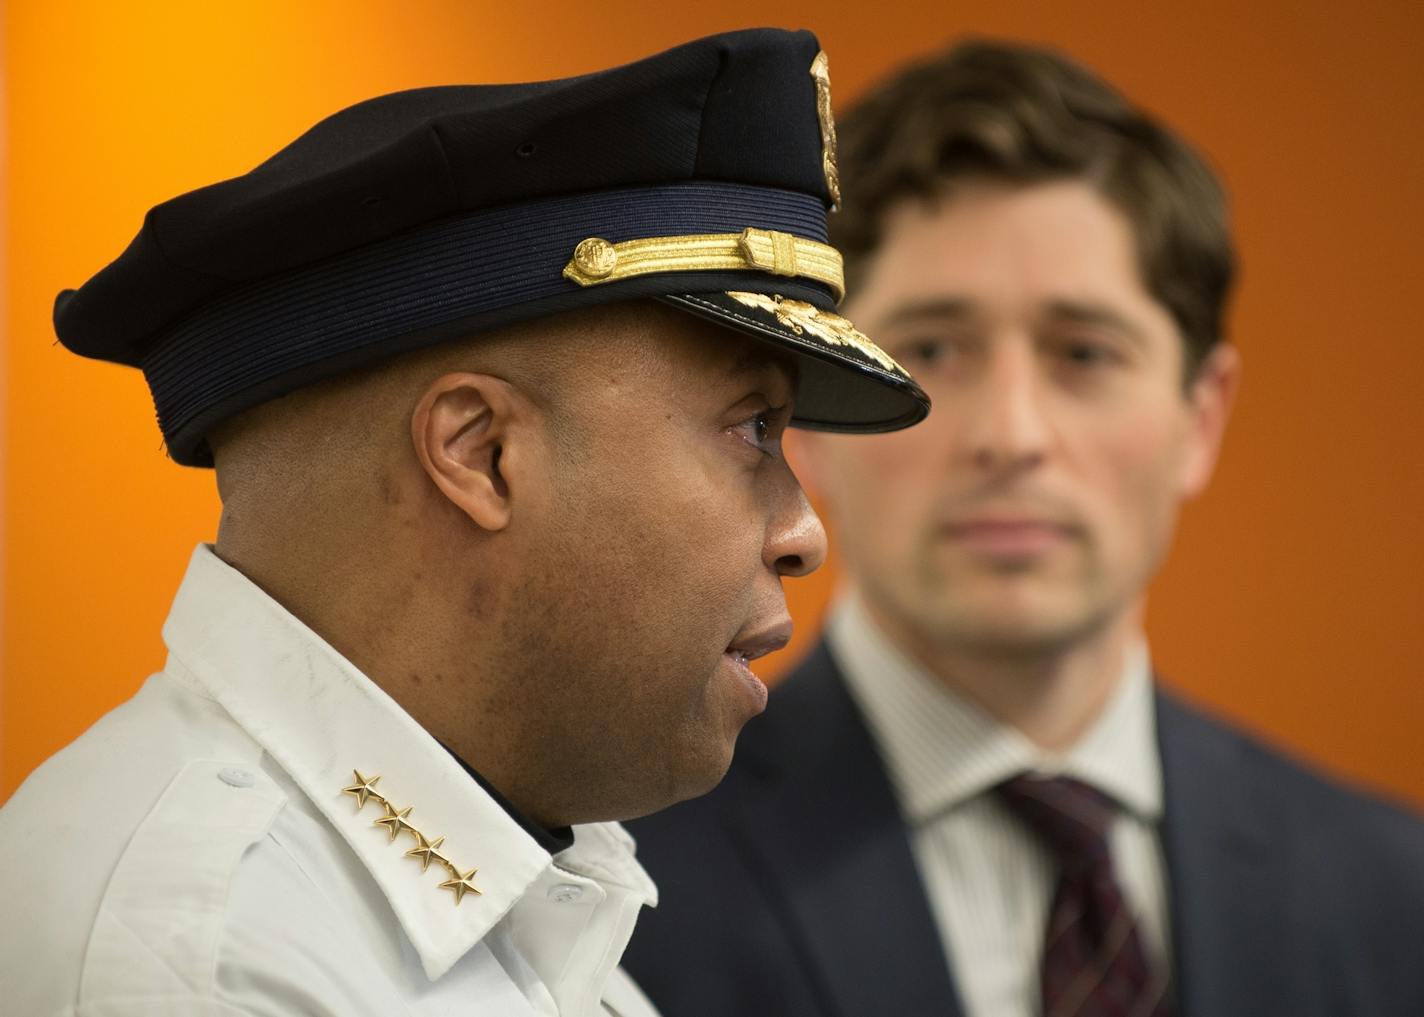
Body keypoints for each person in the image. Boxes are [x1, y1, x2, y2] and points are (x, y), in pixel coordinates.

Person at [0, 29, 929, 1017]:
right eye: (752, 429)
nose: (802, 532)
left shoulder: (497, 902)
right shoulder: (209, 961)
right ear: (482, 455)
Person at [622, 39, 1424, 1017]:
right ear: (815, 416)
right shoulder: (616, 888)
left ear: (1200, 419)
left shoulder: (1392, 892)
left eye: (1083, 353)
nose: (1009, 435)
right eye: (928, 348)